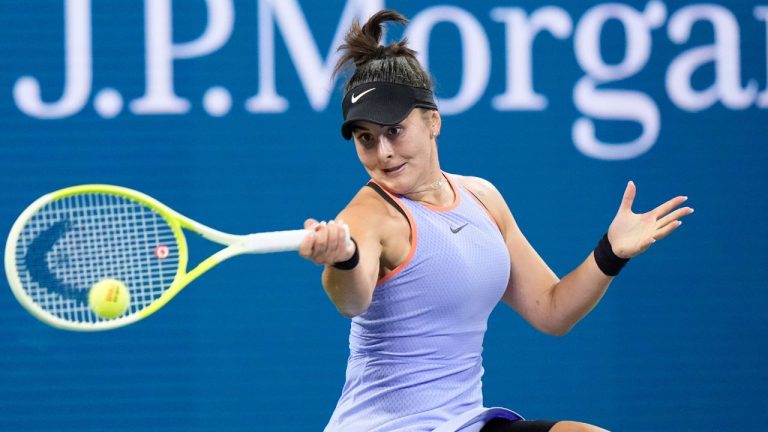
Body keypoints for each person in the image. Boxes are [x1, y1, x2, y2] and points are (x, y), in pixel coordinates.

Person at [298, 9, 693, 432]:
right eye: (366, 139)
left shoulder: (481, 198)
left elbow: (552, 310)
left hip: (462, 423)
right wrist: (342, 258)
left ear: (433, 120)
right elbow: (351, 300)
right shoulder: (368, 214)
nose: (383, 153)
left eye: (394, 131)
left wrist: (611, 252)